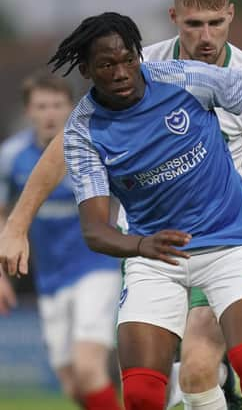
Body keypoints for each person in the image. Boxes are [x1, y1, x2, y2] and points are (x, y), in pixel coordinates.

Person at [0, 0, 242, 408]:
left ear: (231, 16)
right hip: (153, 248)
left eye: (215, 23)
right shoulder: (136, 70)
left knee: (209, 366)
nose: (205, 38)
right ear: (174, 18)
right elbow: (67, 164)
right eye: (193, 24)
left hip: (226, 239)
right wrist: (17, 225)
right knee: (147, 393)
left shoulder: (215, 76)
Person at [0, 72, 122, 410]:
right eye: (42, 106)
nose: (50, 113)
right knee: (71, 385)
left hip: (96, 268)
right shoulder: (11, 156)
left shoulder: (92, 147)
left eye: (58, 105)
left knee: (88, 367)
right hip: (49, 279)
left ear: (71, 108)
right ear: (28, 111)